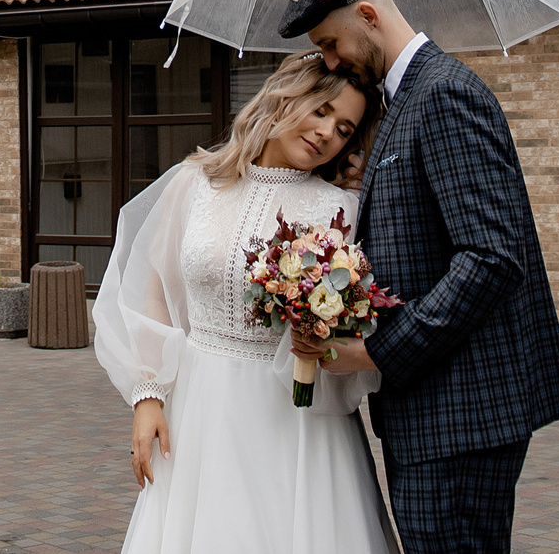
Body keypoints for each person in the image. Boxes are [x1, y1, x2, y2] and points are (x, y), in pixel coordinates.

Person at [285, 0, 559, 554]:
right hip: (437, 416)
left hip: (460, 417)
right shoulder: (407, 101)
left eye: (329, 43)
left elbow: (491, 257)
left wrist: (374, 354)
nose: (328, 61)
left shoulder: (443, 94)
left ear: (368, 15)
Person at [92, 54, 397, 554]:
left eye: (344, 129)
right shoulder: (195, 183)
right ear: (284, 98)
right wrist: (148, 398)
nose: (327, 134)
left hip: (295, 418)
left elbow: (355, 324)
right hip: (199, 410)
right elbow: (155, 296)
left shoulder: (342, 209)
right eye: (320, 111)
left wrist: (320, 336)